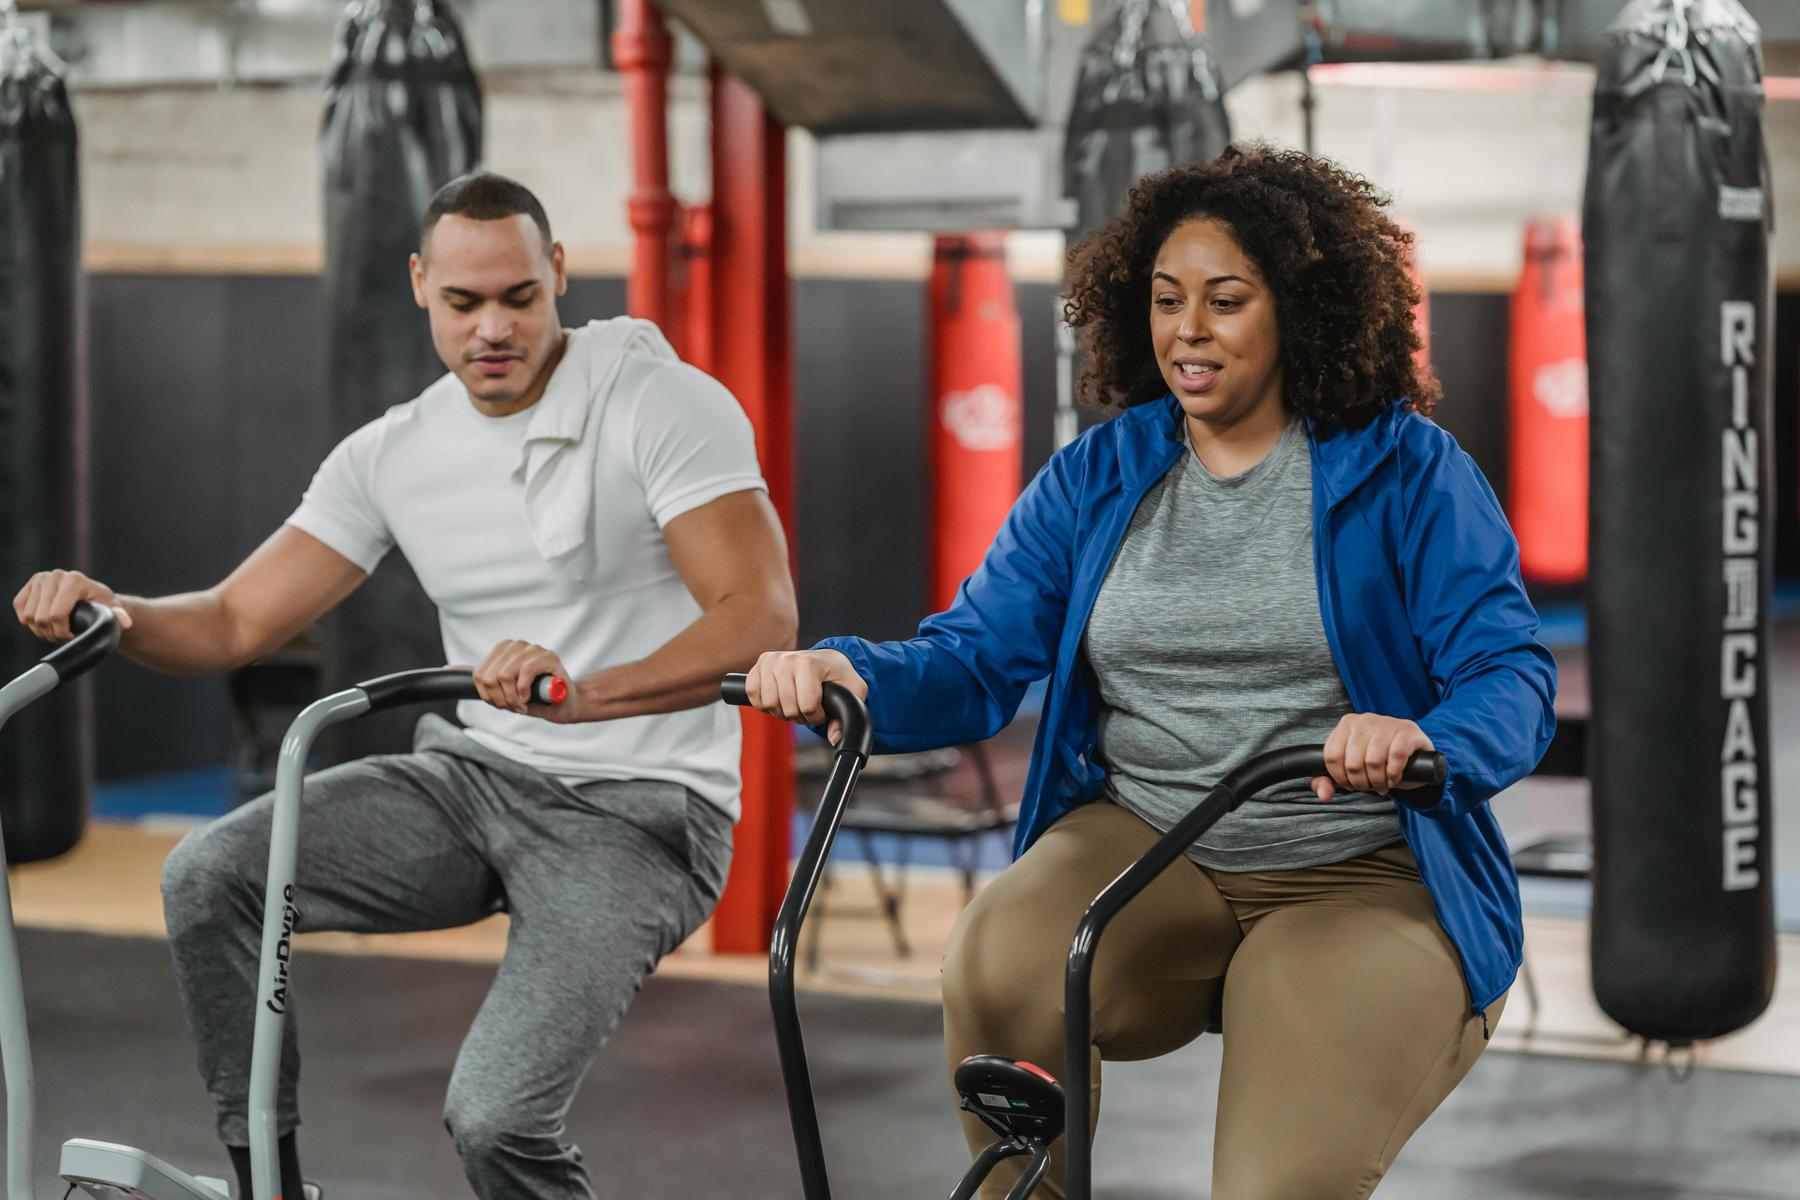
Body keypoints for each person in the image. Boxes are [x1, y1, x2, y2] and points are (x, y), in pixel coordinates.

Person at [745, 145, 1555, 1199]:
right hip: (1150, 836)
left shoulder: (1408, 470)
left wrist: (1427, 739)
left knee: (1276, 1188)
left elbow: (1510, 671)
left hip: (1365, 869)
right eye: (1168, 300)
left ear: (1298, 311)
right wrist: (849, 676)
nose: (1190, 330)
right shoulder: (1101, 472)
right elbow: (975, 658)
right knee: (998, 959)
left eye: (1227, 301)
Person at [13, 171, 796, 1200]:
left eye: (519, 296)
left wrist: (584, 694)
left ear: (558, 274)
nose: (493, 329)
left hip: (645, 809)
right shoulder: (394, 453)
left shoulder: (660, 405)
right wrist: (117, 613)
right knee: (209, 877)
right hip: (474, 779)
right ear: (421, 286)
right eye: (464, 303)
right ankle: (269, 1181)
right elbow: (237, 620)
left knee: (495, 1120)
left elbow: (760, 614)